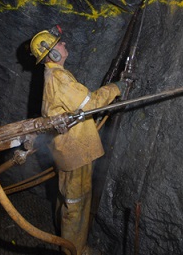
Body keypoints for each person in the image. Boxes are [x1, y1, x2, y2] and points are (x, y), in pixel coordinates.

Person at [30, 26, 129, 255]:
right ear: (52, 53)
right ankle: (75, 250)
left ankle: (67, 241)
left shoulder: (55, 75)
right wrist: (116, 88)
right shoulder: (59, 78)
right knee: (75, 202)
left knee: (67, 198)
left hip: (71, 148)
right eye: (59, 43)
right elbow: (91, 103)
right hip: (74, 151)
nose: (64, 44)